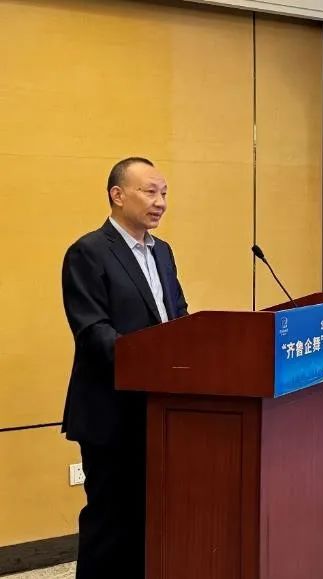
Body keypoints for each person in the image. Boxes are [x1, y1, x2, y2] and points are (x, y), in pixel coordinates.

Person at [60, 157, 188, 578]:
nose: (160, 202)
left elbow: (177, 317)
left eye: (164, 193)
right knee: (110, 521)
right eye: (150, 192)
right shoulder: (88, 252)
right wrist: (154, 363)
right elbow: (93, 331)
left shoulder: (163, 252)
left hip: (160, 408)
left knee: (149, 518)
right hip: (111, 411)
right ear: (117, 195)